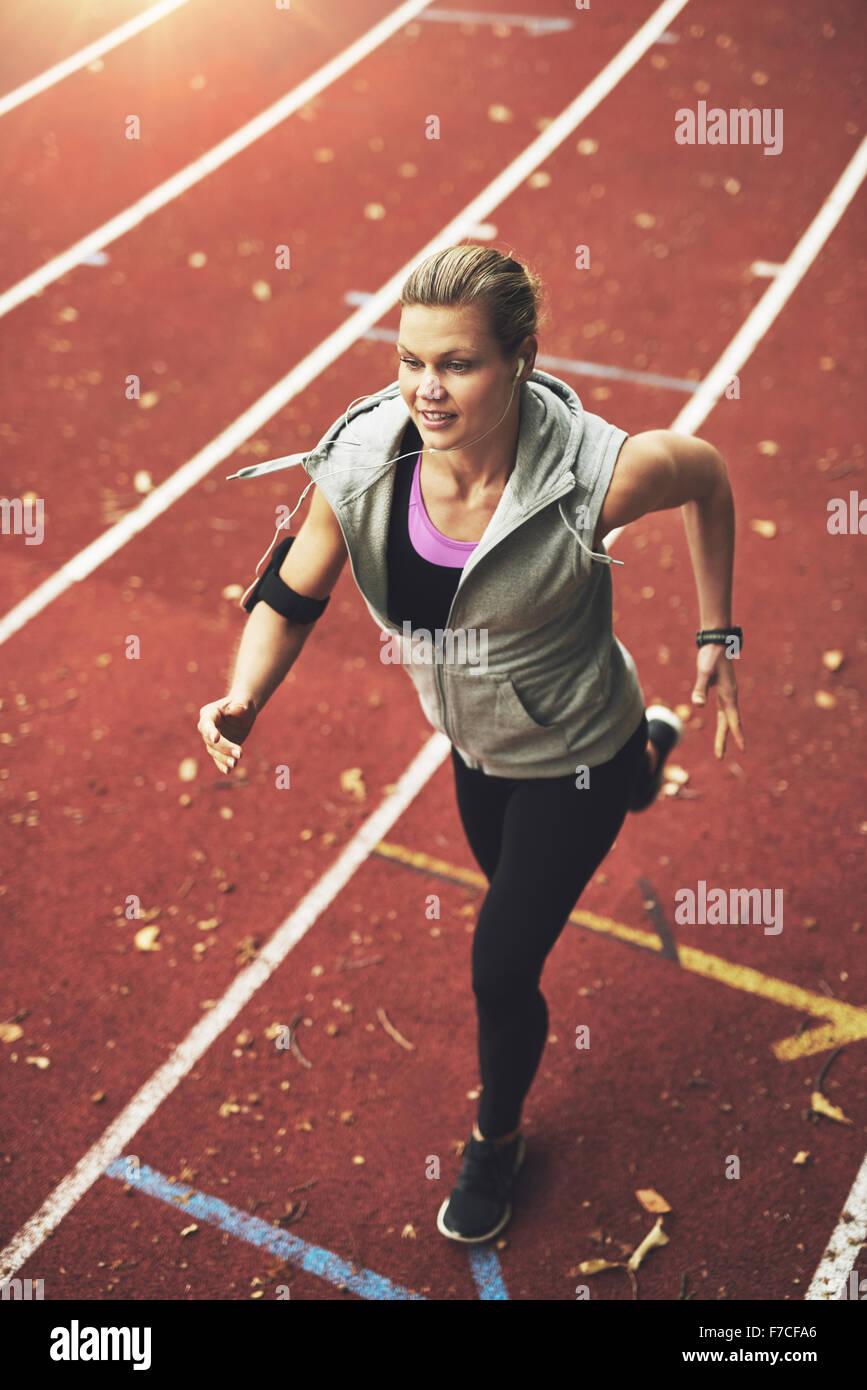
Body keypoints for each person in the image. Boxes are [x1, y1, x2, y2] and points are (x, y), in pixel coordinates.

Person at [197, 245, 746, 1245]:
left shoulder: (597, 475)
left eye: (457, 363)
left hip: (573, 745)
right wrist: (244, 696)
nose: (425, 387)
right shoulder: (365, 458)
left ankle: (496, 1142)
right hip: (474, 747)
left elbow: (709, 479)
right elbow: (288, 593)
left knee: (501, 964)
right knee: (516, 887)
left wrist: (717, 632)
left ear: (522, 360)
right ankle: (647, 760)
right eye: (409, 359)